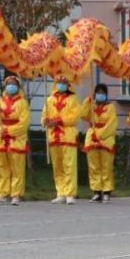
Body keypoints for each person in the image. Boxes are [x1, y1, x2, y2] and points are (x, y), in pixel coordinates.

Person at [0, 75, 30, 206]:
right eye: (8, 84)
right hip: (0, 138)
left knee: (17, 168)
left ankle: (16, 194)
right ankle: (2, 194)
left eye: (13, 84)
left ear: (18, 87)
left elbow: (24, 123)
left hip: (16, 139)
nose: (11, 86)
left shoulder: (23, 103)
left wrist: (10, 131)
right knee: (1, 168)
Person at [41, 74, 82, 204]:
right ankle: (61, 192)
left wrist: (58, 121)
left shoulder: (74, 99)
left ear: (68, 85)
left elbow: (75, 117)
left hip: (68, 136)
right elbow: (44, 116)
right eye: (59, 82)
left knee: (69, 165)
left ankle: (70, 193)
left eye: (64, 83)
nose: (61, 85)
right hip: (53, 137)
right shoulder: (49, 100)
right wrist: (45, 121)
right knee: (57, 166)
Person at [81, 83, 116, 203]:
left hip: (106, 139)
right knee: (93, 166)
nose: (100, 95)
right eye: (98, 92)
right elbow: (83, 115)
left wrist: (100, 135)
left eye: (102, 93)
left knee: (106, 166)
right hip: (92, 137)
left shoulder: (110, 107)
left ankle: (107, 191)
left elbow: (112, 124)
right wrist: (87, 101)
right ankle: (96, 191)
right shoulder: (91, 105)